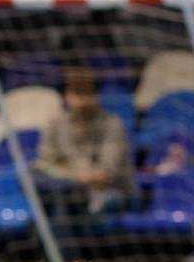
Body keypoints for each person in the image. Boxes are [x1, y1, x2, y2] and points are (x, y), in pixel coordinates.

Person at [35, 68, 136, 244]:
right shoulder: (57, 123)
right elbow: (44, 164)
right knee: (42, 186)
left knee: (61, 208)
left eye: (86, 93)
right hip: (66, 191)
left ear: (96, 95)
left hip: (108, 193)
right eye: (75, 92)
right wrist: (72, 178)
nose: (80, 100)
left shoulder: (112, 124)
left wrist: (68, 175)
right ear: (67, 95)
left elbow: (105, 175)